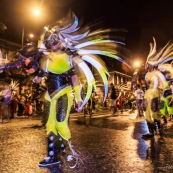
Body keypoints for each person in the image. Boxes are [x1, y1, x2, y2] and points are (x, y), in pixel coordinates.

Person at [1, 10, 130, 168]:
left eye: (55, 40)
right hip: (49, 95)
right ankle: (52, 155)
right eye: (51, 41)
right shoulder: (45, 58)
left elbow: (75, 80)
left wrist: (79, 99)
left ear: (62, 40)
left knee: (61, 124)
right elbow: (39, 78)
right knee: (49, 124)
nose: (52, 43)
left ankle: (63, 146)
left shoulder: (70, 58)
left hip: (63, 93)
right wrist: (27, 70)